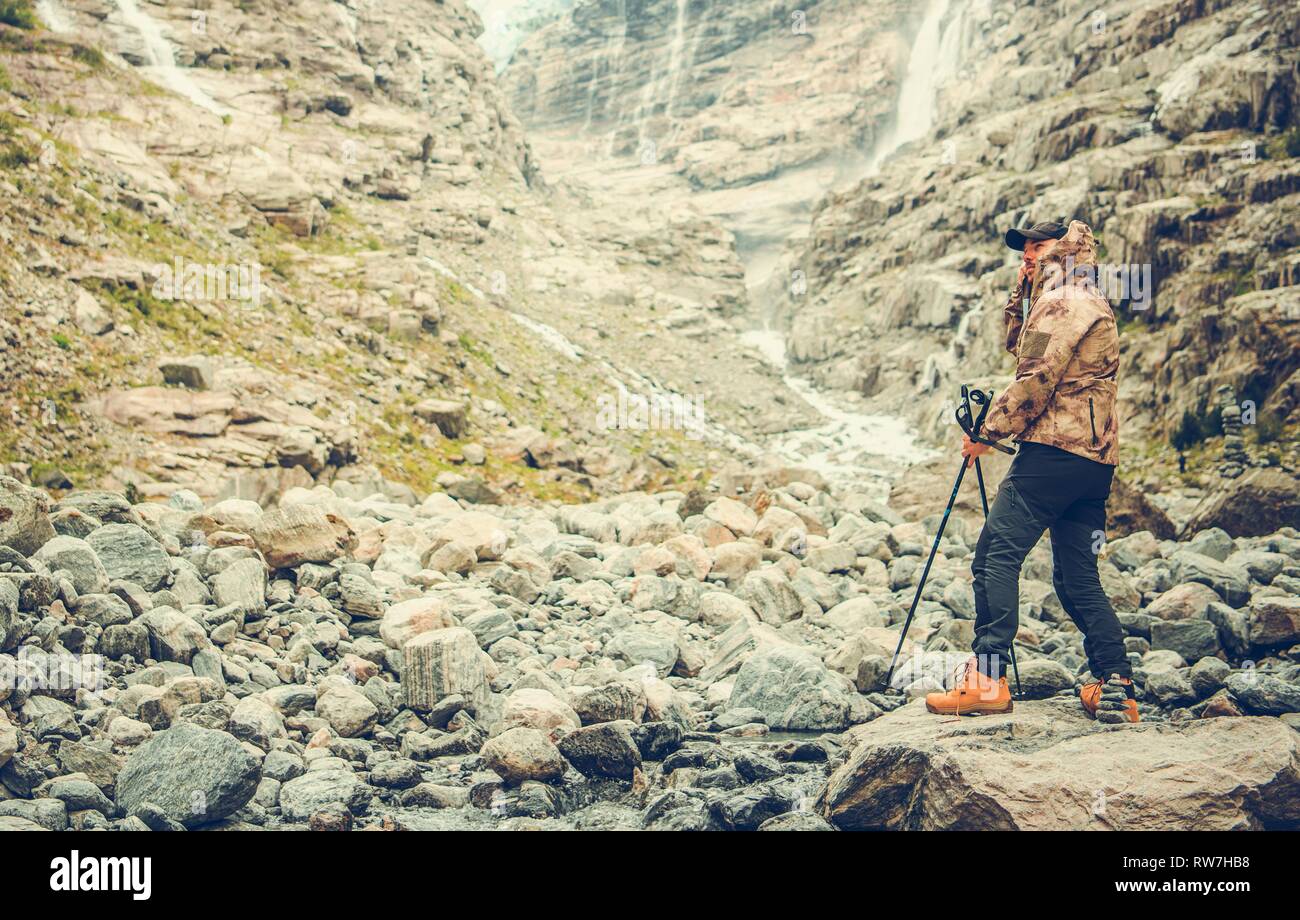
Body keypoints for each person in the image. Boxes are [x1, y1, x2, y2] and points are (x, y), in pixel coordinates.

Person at [924, 219, 1139, 722]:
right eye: (1023, 249)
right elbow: (1029, 354)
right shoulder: (1084, 296)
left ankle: (987, 681)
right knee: (1077, 577)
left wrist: (987, 433)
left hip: (1053, 455)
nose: (1027, 255)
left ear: (1063, 249)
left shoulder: (1063, 299)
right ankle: (1117, 686)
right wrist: (1025, 289)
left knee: (995, 556)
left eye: (1037, 247)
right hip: (1093, 463)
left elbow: (1035, 377)